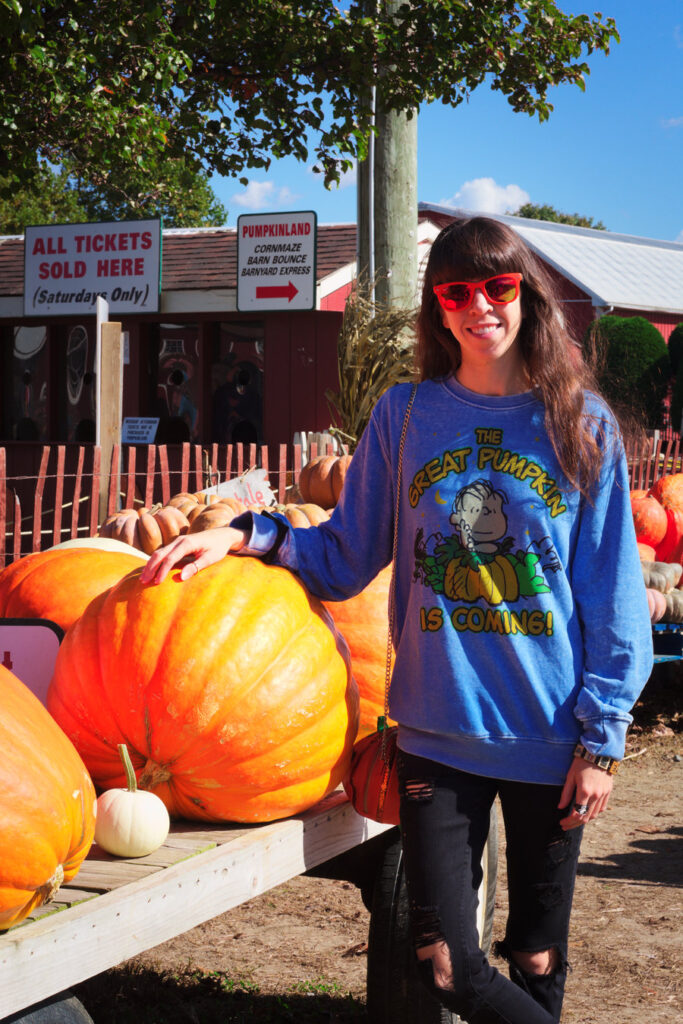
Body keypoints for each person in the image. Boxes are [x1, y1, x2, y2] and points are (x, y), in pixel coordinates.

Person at [141, 216, 653, 1023]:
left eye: (497, 285)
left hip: (549, 738)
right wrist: (248, 533)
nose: (478, 305)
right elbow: (346, 553)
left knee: (534, 954)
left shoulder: (578, 424)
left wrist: (602, 739)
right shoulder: (406, 415)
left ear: (525, 295)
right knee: (446, 964)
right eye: (456, 291)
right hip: (432, 734)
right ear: (438, 310)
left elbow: (612, 594)